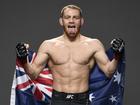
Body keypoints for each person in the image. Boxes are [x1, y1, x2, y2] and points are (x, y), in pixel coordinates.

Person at [16, 4, 124, 105]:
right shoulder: (48, 45)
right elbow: (33, 74)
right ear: (61, 21)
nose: (71, 21)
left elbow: (109, 71)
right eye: (67, 17)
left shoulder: (93, 44)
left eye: (75, 17)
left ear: (81, 21)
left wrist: (117, 55)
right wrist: (23, 59)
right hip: (58, 99)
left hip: (82, 100)